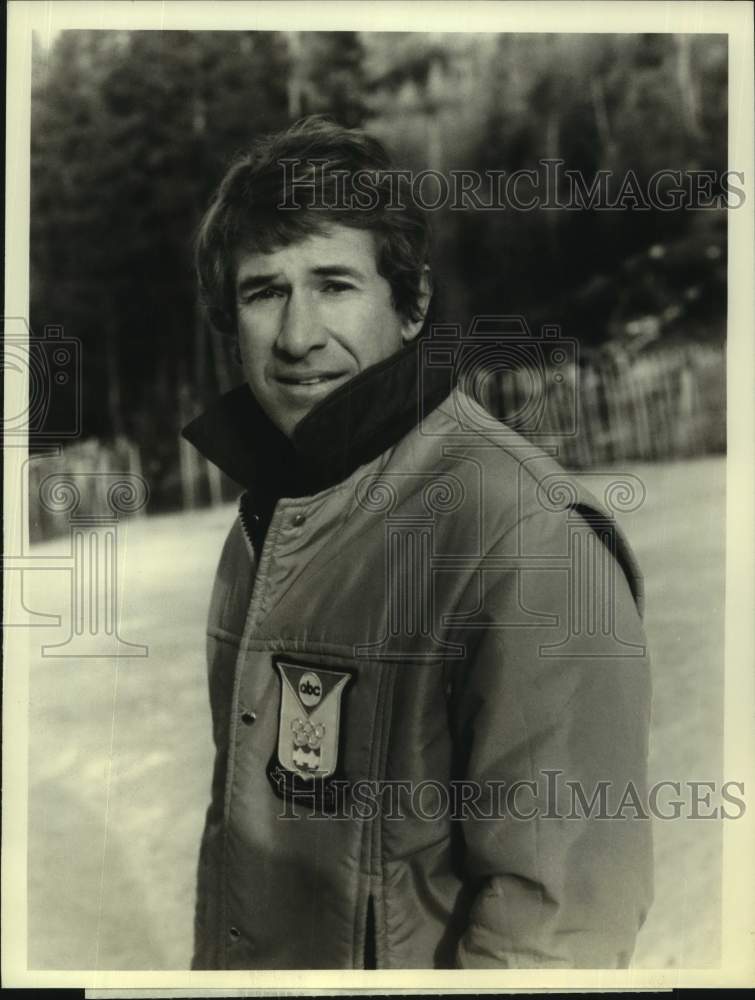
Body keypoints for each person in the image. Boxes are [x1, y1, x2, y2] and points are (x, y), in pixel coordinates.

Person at [182, 115, 653, 970]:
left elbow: (557, 929)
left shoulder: (524, 537)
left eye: (334, 284)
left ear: (413, 305)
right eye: (263, 291)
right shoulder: (269, 513)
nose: (296, 336)